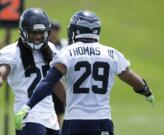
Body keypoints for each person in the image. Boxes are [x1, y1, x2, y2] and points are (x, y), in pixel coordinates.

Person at [17, 10, 154, 135]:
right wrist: (146, 90)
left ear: (76, 30)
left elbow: (48, 82)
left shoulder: (67, 52)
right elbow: (132, 79)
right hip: (102, 120)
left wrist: (29, 105)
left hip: (75, 121)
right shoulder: (112, 54)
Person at [0, 8, 66, 135]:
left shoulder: (50, 49)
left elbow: (55, 82)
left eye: (41, 32)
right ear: (23, 32)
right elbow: (2, 71)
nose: (38, 36)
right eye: (33, 33)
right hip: (28, 117)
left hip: (51, 117)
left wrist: (70, 104)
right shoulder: (11, 52)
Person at [49, 20, 67, 127]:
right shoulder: (45, 45)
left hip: (61, 82)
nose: (53, 33)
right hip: (49, 82)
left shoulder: (64, 44)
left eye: (55, 30)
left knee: (58, 114)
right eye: (52, 30)